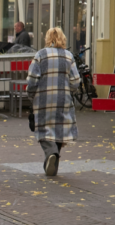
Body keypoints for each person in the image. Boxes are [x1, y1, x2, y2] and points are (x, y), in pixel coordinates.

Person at [28, 26, 81, 177]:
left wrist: (31, 94)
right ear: (62, 38)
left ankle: (52, 153)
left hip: (44, 100)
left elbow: (32, 80)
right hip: (63, 100)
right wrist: (68, 90)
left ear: (47, 38)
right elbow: (76, 81)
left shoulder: (40, 55)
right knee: (59, 129)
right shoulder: (68, 56)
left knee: (44, 130)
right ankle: (54, 156)